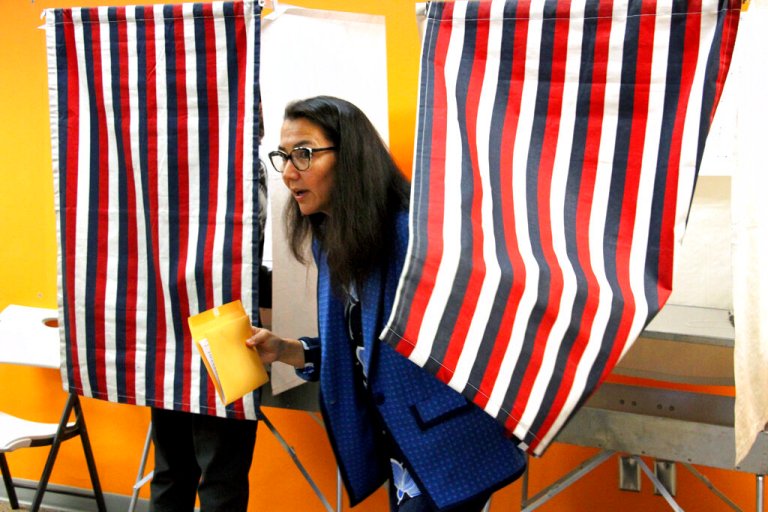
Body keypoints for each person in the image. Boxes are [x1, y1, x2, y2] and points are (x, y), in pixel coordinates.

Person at [247, 96, 526, 511]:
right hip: (401, 445)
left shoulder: (410, 233)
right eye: (283, 157)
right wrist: (287, 350)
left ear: (351, 157)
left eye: (304, 154)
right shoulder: (336, 243)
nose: (288, 173)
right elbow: (368, 348)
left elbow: (485, 324)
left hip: (447, 441)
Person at [149, 103, 270, 512]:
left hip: (172, 327)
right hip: (225, 330)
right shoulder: (245, 173)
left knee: (172, 469)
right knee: (221, 475)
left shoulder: (168, 168)